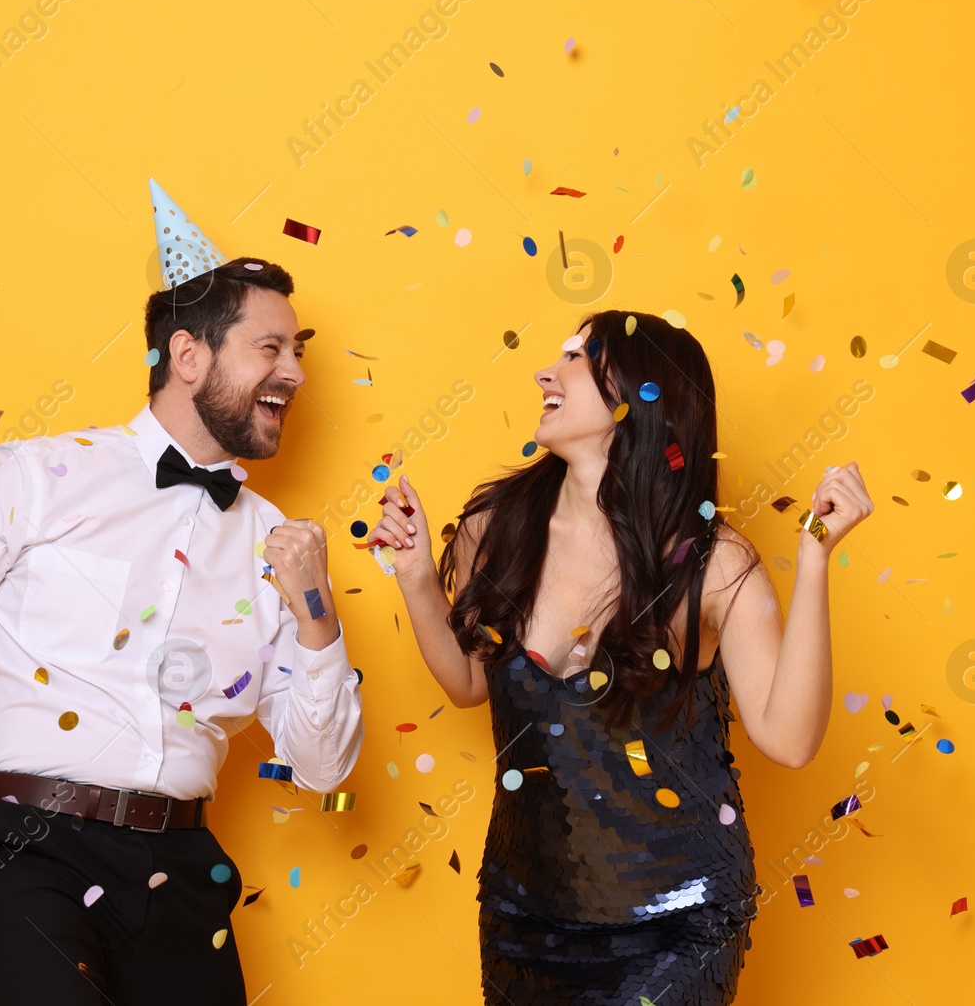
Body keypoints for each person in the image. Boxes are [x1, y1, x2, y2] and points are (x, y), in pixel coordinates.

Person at [0, 179, 364, 1005]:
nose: (295, 371)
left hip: (186, 872)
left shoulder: (276, 543)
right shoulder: (32, 478)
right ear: (189, 357)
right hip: (28, 851)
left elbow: (322, 767)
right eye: (272, 348)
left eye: (300, 350)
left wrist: (316, 611)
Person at [369, 310, 874, 1005]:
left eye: (578, 356)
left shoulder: (713, 562)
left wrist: (815, 556)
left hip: (679, 918)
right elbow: (466, 683)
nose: (549, 371)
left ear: (638, 396)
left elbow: (788, 740)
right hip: (525, 915)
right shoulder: (499, 526)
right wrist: (418, 578)